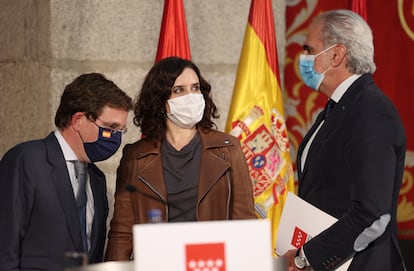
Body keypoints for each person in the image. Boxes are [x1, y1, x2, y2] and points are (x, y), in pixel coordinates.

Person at [282, 9, 407, 271]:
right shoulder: (339, 108)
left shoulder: (371, 112)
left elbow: (371, 214)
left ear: (336, 55)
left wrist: (307, 256)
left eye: (309, 48)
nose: (301, 57)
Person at [105, 56, 256, 261]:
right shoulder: (135, 156)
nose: (191, 96)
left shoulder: (227, 148)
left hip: (212, 263)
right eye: (179, 90)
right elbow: (122, 233)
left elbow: (244, 222)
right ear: (160, 101)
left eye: (195, 88)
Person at [0, 73, 133, 270]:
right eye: (110, 127)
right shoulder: (26, 160)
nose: (115, 138)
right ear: (78, 120)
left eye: (121, 130)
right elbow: (5, 247)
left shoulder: (97, 179)